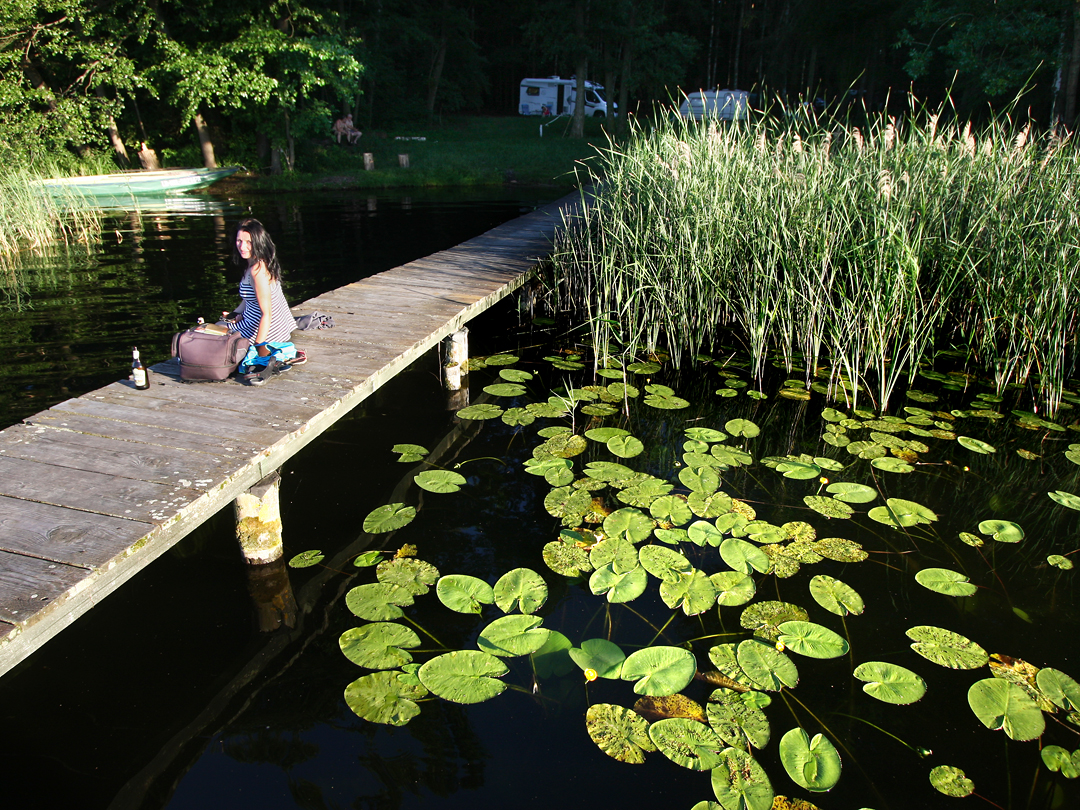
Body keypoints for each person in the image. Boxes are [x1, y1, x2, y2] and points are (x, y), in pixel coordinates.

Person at [227, 218, 305, 383]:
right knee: (218, 327)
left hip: (264, 329)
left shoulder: (258, 271)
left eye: (249, 242)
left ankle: (274, 354)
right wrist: (234, 314)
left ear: (258, 242)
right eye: (239, 241)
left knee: (215, 333)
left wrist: (259, 348)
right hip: (260, 322)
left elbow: (266, 314)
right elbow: (248, 300)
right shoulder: (256, 263)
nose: (242, 246)